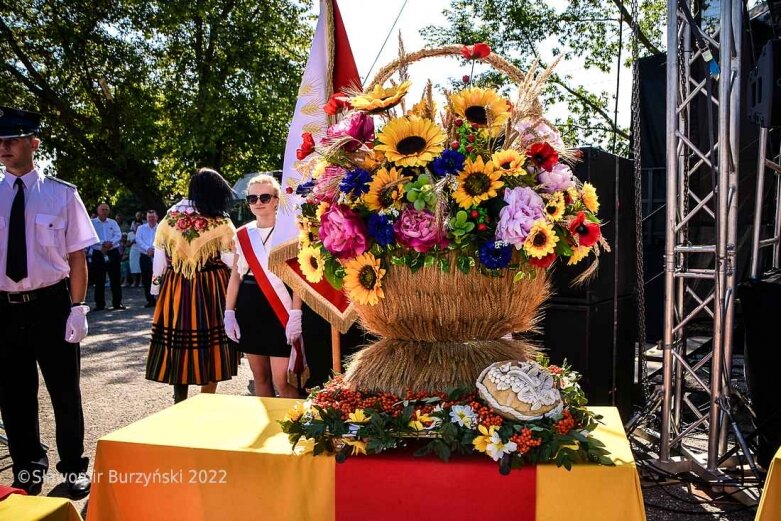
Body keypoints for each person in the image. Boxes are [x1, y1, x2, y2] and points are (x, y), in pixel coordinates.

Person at [0, 106, 96, 497]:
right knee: (14, 395)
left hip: (51, 304)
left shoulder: (62, 194)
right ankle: (27, 471)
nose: (3, 147)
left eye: (11, 140)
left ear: (33, 143)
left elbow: (76, 257)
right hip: (4, 307)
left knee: (64, 391)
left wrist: (77, 307)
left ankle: (73, 469)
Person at [146, 168, 239, 403]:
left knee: (179, 342)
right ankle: (207, 400)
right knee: (211, 343)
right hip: (212, 286)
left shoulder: (170, 218)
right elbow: (231, 260)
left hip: (177, 286)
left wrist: (157, 289)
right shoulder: (220, 220)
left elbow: (159, 260)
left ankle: (180, 400)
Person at [224, 174, 302, 399]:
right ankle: (269, 426)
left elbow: (298, 277)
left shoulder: (292, 231)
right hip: (251, 306)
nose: (258, 202)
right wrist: (229, 312)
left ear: (277, 200)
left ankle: (296, 429)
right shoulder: (242, 234)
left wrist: (296, 312)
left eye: (265, 197)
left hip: (281, 306)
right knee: (260, 378)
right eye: (252, 198)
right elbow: (236, 276)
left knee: (283, 382)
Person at [89, 203, 124, 310]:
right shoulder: (92, 223)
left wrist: (110, 243)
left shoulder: (113, 222)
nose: (104, 211)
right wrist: (103, 244)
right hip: (98, 253)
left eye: (106, 209)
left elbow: (118, 235)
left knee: (115, 278)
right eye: (102, 209)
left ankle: (117, 303)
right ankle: (99, 304)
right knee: (99, 280)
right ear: (98, 211)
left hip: (112, 252)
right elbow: (91, 237)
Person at [135, 209, 158, 307]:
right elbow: (138, 240)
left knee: (157, 278)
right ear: (146, 218)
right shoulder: (141, 228)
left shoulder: (161, 228)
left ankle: (158, 299)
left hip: (158, 256)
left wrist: (153, 249)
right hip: (145, 256)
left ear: (157, 217)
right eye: (149, 217)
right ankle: (150, 300)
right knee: (146, 278)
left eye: (153, 217)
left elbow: (163, 240)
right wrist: (147, 249)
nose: (151, 219)